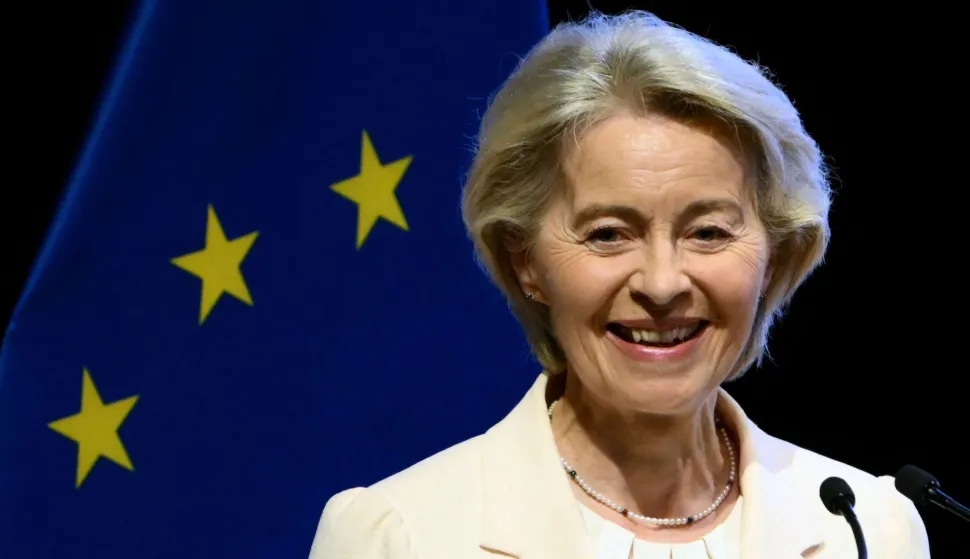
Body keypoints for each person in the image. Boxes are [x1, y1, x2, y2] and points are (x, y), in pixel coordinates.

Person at [309, 11, 929, 559]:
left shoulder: (867, 529)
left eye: (708, 232)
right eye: (608, 234)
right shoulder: (399, 536)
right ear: (525, 262)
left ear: (776, 255)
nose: (662, 284)